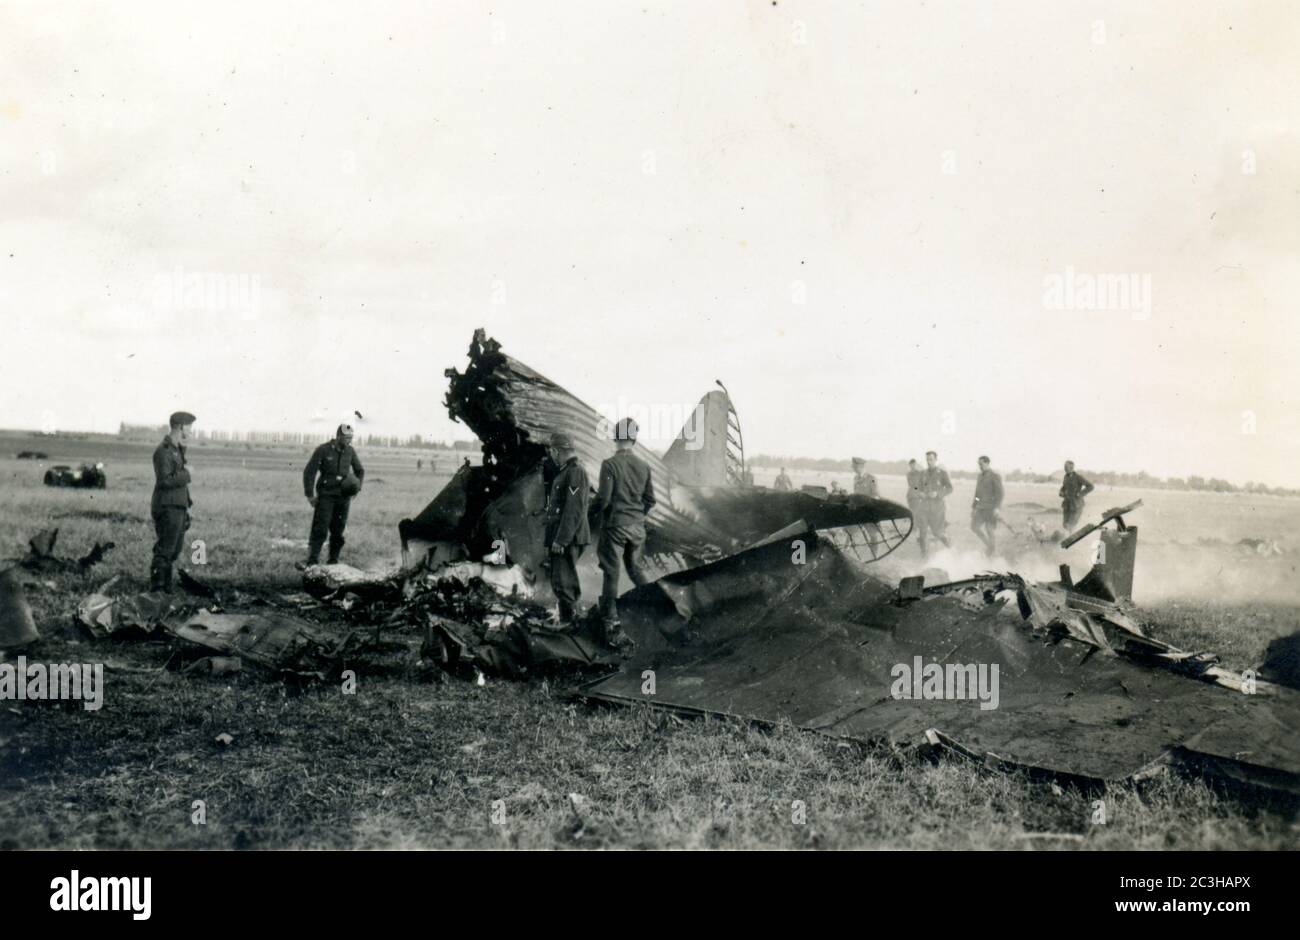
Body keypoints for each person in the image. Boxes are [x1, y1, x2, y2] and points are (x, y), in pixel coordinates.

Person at [594, 417, 655, 646]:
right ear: (634, 439)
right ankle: (654, 606)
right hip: (637, 527)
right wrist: (637, 515)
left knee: (612, 572)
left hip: (615, 526)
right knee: (636, 569)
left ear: (616, 438)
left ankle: (610, 621)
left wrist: (590, 513)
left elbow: (603, 499)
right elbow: (650, 499)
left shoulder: (609, 464)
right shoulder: (644, 466)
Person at [300, 423, 365, 567]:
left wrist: (357, 487)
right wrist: (310, 495)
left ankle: (333, 561)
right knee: (320, 528)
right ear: (338, 436)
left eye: (351, 437)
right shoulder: (323, 450)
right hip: (326, 496)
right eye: (347, 437)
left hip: (343, 498)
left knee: (338, 530)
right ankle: (312, 561)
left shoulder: (350, 451)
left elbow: (360, 470)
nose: (349, 440)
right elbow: (309, 472)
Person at [543, 431, 590, 626]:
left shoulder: (575, 472)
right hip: (564, 537)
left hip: (568, 538)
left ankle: (568, 625)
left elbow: (574, 509)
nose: (551, 456)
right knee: (561, 581)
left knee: (565, 582)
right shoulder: (567, 471)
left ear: (556, 451)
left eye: (552, 452)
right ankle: (567, 622)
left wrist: (561, 540)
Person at [150, 411, 196, 592]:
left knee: (173, 550)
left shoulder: (176, 450)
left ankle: (165, 590)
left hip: (177, 506)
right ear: (182, 427)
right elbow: (165, 480)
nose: (191, 431)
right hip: (168, 507)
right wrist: (187, 473)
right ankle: (158, 590)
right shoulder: (164, 451)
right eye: (190, 427)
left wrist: (188, 505)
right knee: (165, 550)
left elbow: (179, 485)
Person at [970, 455, 1004, 557]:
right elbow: (977, 494)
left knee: (989, 530)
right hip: (980, 508)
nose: (980, 466)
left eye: (981, 464)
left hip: (991, 509)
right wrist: (974, 507)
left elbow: (1000, 494)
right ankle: (990, 546)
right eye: (979, 465)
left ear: (987, 463)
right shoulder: (980, 476)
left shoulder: (995, 476)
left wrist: (997, 508)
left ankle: (991, 552)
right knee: (974, 527)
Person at [921, 450, 953, 550]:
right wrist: (919, 493)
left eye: (931, 459)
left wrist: (938, 494)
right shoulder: (923, 473)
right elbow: (916, 487)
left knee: (937, 532)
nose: (929, 462)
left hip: (937, 508)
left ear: (936, 460)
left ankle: (950, 547)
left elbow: (949, 488)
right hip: (924, 506)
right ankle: (923, 555)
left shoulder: (942, 473)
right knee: (922, 531)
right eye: (927, 460)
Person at [1059, 460, 1094, 531]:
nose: (1064, 469)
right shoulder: (1066, 477)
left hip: (1076, 505)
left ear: (1071, 468)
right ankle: (1069, 538)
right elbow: (1064, 487)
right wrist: (1061, 492)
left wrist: (1080, 494)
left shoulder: (1078, 477)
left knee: (1071, 525)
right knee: (1065, 524)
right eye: (1064, 467)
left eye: (1066, 467)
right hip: (1067, 505)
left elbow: (1090, 486)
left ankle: (1072, 540)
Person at [905, 458, 928, 553]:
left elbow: (922, 484)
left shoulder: (920, 473)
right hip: (912, 496)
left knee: (917, 516)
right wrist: (917, 491)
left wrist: (920, 492)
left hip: (917, 496)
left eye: (913, 464)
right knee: (914, 515)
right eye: (911, 465)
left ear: (916, 464)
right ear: (909, 465)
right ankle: (918, 535)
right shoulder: (909, 474)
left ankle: (919, 535)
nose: (912, 466)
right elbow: (912, 485)